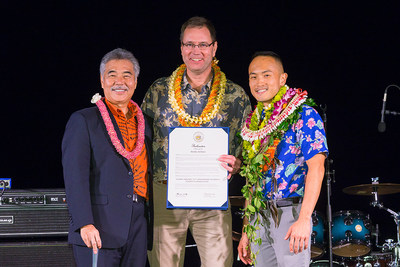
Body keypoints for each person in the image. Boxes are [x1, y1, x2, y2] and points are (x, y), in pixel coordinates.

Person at [141, 16, 251, 267]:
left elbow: (249, 152)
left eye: (203, 45)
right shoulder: (158, 91)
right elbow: (141, 143)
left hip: (212, 197)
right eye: (189, 44)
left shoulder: (235, 95)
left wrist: (238, 165)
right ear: (181, 48)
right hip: (165, 192)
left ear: (214, 48)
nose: (196, 51)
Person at [62, 48, 153, 267]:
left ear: (136, 82)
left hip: (138, 225)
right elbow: (75, 176)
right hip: (99, 227)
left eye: (127, 75)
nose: (119, 81)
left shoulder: (145, 123)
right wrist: (84, 223)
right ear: (102, 81)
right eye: (112, 75)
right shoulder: (83, 120)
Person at [238, 51, 328, 267]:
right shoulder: (254, 125)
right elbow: (252, 180)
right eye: (253, 76)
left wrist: (304, 219)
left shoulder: (303, 115)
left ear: (282, 78)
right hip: (258, 216)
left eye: (266, 75)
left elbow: (317, 167)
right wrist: (246, 230)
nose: (259, 82)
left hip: (290, 212)